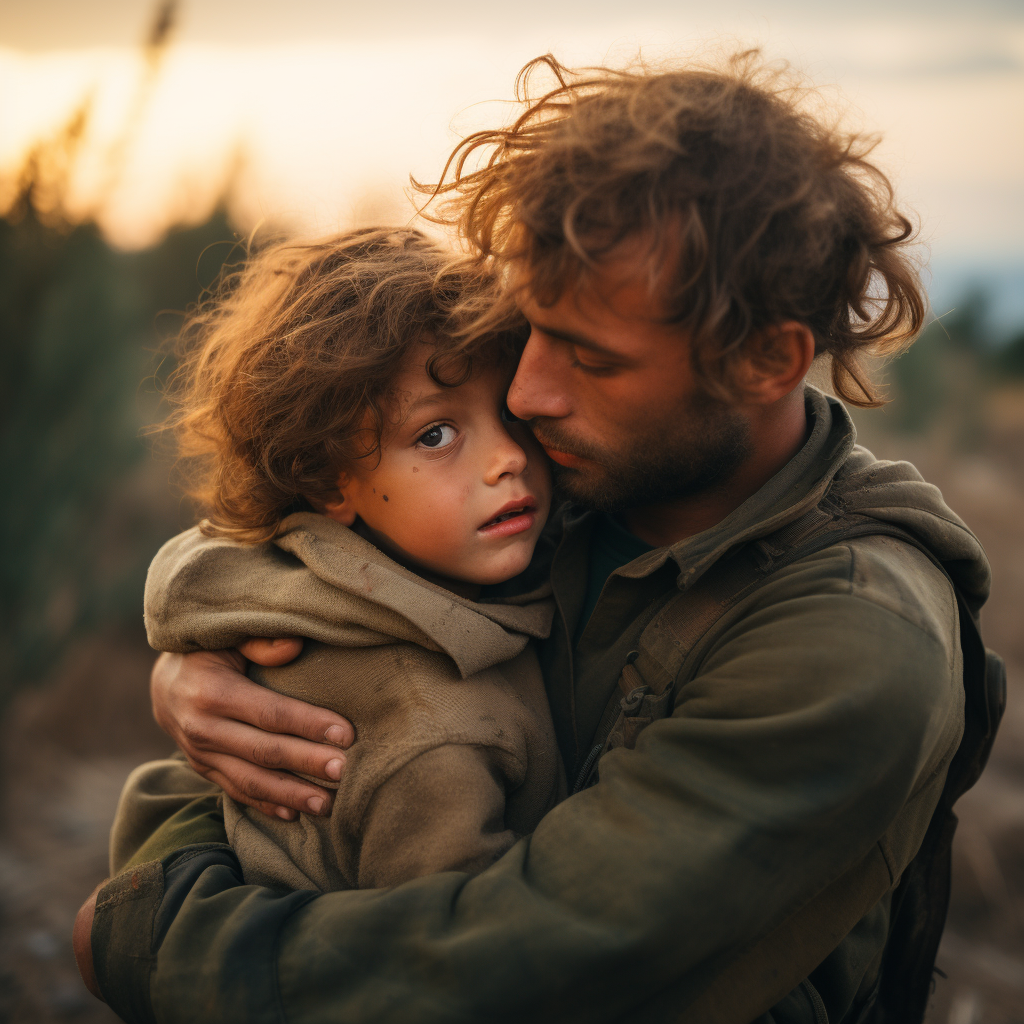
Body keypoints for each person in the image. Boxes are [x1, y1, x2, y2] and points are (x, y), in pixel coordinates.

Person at [76, 53, 996, 1023]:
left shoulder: (852, 637)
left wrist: (155, 933)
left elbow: (520, 966)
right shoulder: (565, 473)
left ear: (767, 359)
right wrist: (202, 653)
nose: (524, 395)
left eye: (591, 358)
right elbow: (297, 551)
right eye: (526, 333)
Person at [117, 227, 564, 895]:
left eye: (509, 411)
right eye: (436, 434)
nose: (508, 457)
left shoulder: (436, 566)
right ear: (330, 486)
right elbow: (457, 954)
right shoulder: (434, 739)